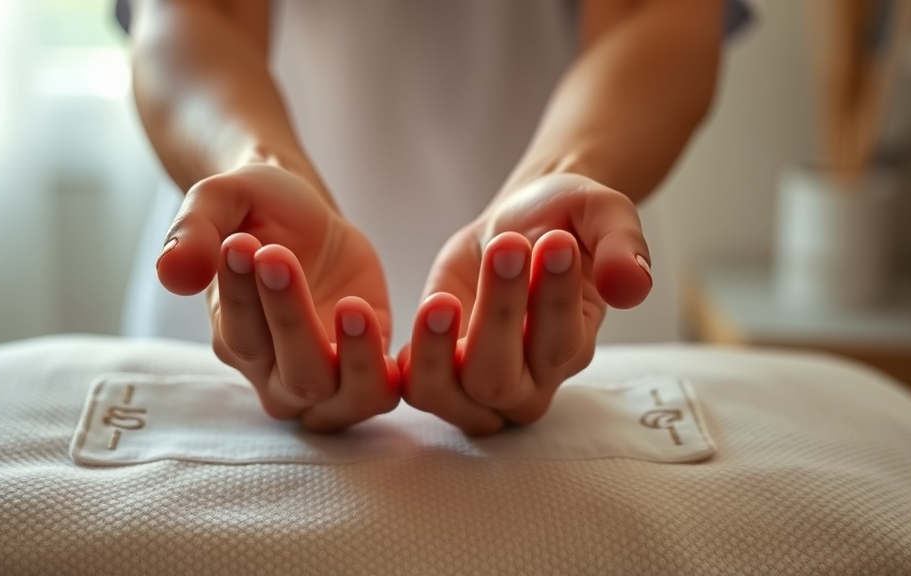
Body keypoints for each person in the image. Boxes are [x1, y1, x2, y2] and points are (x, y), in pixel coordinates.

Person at [117, 0, 751, 434]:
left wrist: (568, 175)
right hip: (247, 287)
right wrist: (254, 166)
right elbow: (192, 14)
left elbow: (655, 18)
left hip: (572, 299)